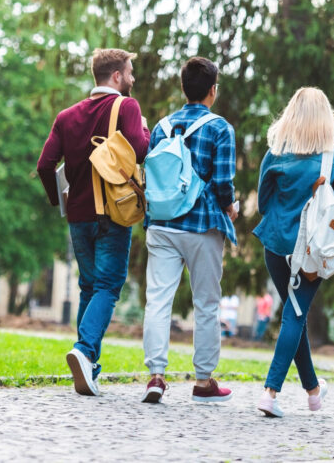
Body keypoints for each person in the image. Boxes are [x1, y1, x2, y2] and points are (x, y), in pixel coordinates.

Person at [37, 48, 150, 397]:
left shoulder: (66, 115)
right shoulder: (127, 107)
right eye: (129, 72)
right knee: (107, 287)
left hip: (78, 217)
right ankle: (84, 351)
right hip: (112, 214)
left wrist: (61, 202)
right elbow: (141, 150)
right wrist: (145, 131)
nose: (132, 78)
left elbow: (44, 165)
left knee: (89, 286)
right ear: (116, 76)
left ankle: (89, 369)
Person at [253, 87, 334, 418]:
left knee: (293, 315)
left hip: (275, 246)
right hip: (311, 253)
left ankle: (314, 392)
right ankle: (270, 394)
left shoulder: (275, 154)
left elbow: (261, 203)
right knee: (294, 316)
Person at [140, 57, 238, 404]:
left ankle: (155, 375)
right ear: (212, 90)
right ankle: (203, 380)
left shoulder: (161, 127)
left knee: (158, 300)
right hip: (202, 225)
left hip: (162, 224)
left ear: (183, 88)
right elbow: (224, 183)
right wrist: (231, 206)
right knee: (207, 304)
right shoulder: (220, 128)